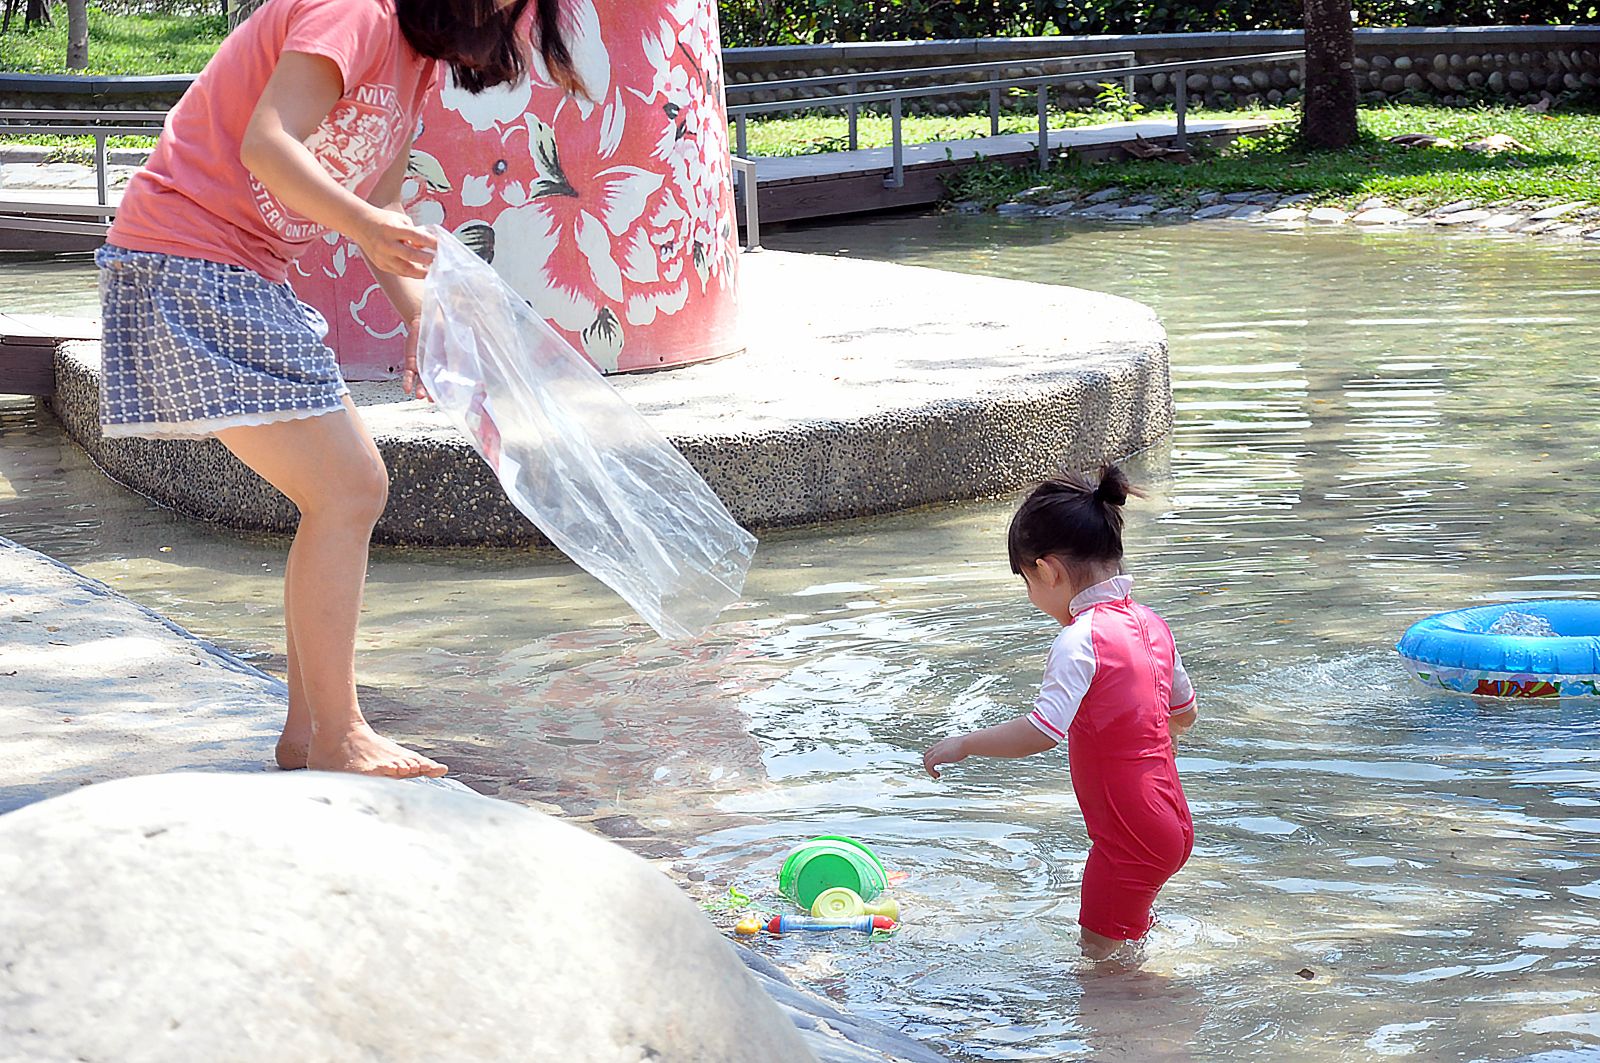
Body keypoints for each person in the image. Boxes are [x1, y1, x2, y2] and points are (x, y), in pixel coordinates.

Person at [97, 0, 582, 778]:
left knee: (342, 492)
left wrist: (417, 319)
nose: (500, 15)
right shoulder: (355, 12)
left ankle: (308, 735)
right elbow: (267, 143)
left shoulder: (414, 63)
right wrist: (361, 222)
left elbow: (382, 203)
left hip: (243, 273)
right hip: (188, 261)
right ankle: (339, 733)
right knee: (350, 488)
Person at [922, 466, 1197, 959]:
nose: (1032, 596)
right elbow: (1185, 711)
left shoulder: (1080, 638)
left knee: (1098, 965)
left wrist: (966, 742)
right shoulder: (1153, 624)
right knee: (1127, 937)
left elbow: (1041, 731)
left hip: (1128, 833)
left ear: (1046, 571)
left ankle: (1136, 1030)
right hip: (1170, 819)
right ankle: (1150, 1005)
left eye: (1027, 581)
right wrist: (1164, 737)